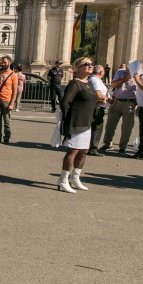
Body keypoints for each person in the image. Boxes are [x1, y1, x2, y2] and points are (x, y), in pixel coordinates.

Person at [57, 57, 100, 193]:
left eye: (91, 64)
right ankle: (63, 180)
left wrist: (98, 104)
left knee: (84, 151)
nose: (90, 66)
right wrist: (69, 119)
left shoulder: (88, 83)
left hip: (87, 122)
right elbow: (65, 102)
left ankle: (75, 178)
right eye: (86, 64)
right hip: (76, 122)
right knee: (73, 151)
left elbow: (88, 101)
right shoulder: (75, 83)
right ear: (78, 68)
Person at [98, 63, 136, 156]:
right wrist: (125, 79)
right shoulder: (120, 72)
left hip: (130, 102)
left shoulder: (138, 75)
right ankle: (107, 144)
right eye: (127, 66)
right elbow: (113, 85)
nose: (127, 68)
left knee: (127, 127)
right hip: (117, 101)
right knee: (110, 125)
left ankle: (122, 147)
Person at [0, 56, 19, 144]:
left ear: (9, 63)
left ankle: (6, 138)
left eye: (5, 62)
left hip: (7, 101)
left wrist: (12, 103)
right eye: (2, 62)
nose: (3, 64)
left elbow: (15, 91)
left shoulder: (13, 75)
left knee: (7, 121)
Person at [87, 65, 110, 156]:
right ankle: (93, 148)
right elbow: (98, 94)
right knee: (97, 127)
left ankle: (90, 147)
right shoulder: (95, 80)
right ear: (101, 72)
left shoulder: (95, 79)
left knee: (94, 127)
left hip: (97, 106)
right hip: (97, 107)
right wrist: (108, 99)